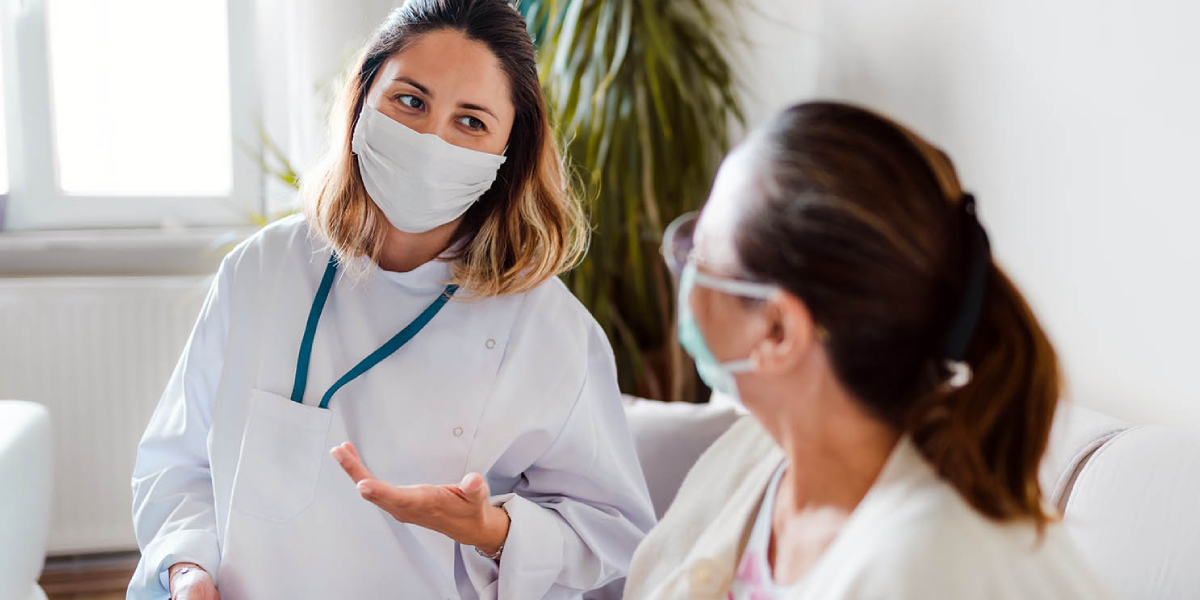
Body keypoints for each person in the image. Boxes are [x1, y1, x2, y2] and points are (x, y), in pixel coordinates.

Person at [128, 1, 655, 598]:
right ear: (362, 99)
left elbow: (615, 534)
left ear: (510, 151)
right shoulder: (262, 268)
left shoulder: (546, 325)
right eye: (411, 101)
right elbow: (177, 464)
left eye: (471, 121)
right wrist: (187, 570)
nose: (431, 139)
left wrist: (493, 530)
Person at [623, 102, 1114, 599]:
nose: (683, 271)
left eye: (698, 252)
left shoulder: (930, 568)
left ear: (778, 330)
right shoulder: (756, 457)